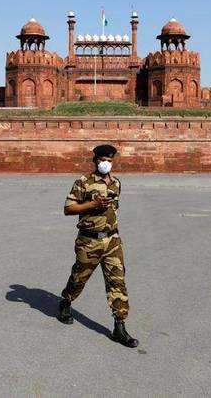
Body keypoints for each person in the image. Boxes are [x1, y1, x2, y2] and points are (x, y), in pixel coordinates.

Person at [58, 144, 139, 348]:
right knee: (79, 278)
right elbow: (68, 208)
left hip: (112, 241)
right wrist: (92, 205)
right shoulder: (83, 182)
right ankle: (66, 301)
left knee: (117, 283)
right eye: (102, 160)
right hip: (89, 241)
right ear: (95, 161)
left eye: (110, 161)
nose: (106, 164)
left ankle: (119, 326)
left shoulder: (116, 183)